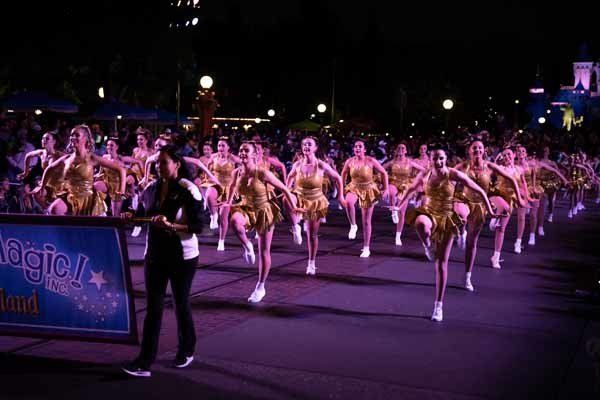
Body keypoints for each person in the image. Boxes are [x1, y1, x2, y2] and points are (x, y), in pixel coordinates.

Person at [121, 144, 204, 377]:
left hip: (183, 256)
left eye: (164, 162)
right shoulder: (151, 188)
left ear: (177, 164)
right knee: (153, 309)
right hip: (155, 255)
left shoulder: (188, 189)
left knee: (180, 304)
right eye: (157, 162)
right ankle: (144, 361)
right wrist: (131, 216)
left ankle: (187, 349)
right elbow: (142, 215)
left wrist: (172, 226)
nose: (159, 166)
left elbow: (200, 226)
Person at [399, 146, 497, 322]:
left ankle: (439, 305)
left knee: (441, 264)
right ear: (431, 160)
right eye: (435, 158)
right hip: (429, 212)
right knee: (420, 224)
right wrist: (399, 205)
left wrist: (491, 210)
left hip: (447, 218)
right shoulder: (426, 174)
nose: (438, 162)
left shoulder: (453, 174)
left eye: (442, 158)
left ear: (446, 159)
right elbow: (411, 188)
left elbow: (481, 190)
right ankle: (427, 245)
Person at [223, 141, 298, 303]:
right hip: (246, 207)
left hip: (264, 209)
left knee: (264, 251)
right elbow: (230, 188)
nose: (242, 153)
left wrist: (294, 208)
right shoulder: (236, 172)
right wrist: (228, 202)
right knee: (234, 221)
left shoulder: (262, 172)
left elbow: (284, 189)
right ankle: (247, 245)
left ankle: (260, 286)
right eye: (241, 150)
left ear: (254, 155)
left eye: (246, 151)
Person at [454, 141, 525, 288]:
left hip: (481, 205)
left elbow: (512, 179)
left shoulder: (489, 166)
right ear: (469, 151)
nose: (478, 150)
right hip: (464, 200)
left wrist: (519, 199)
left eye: (480, 147)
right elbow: (448, 176)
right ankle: (461, 232)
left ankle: (467, 276)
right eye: (475, 147)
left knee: (472, 244)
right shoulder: (463, 166)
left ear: (484, 151)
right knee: (461, 215)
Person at [287, 136, 346, 275]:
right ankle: (296, 226)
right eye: (304, 144)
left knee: (312, 234)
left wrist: (341, 196)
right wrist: (287, 189)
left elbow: (337, 177)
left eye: (309, 144)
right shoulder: (297, 164)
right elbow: (289, 179)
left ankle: (311, 263)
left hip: (315, 200)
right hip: (300, 197)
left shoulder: (320, 165)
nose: (306, 147)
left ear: (315, 148)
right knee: (286, 198)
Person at [36, 125, 125, 216]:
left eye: (77, 135)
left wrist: (121, 189)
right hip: (71, 196)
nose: (73, 138)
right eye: (72, 135)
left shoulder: (91, 158)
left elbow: (121, 169)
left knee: (94, 227)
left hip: (88, 199)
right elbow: (49, 169)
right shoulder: (66, 158)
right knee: (55, 209)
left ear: (85, 139)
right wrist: (42, 187)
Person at [341, 139, 389, 257]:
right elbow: (343, 174)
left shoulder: (371, 161)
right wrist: (342, 189)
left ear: (365, 149)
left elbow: (384, 173)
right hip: (354, 186)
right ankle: (353, 225)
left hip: (368, 189)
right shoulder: (350, 161)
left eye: (360, 146)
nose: (357, 148)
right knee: (348, 202)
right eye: (356, 146)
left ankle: (366, 247)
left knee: (366, 221)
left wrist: (386, 188)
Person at [383, 142, 425, 246]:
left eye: (403, 148)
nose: (401, 149)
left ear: (406, 151)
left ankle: (398, 236)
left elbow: (424, 170)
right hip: (394, 182)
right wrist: (384, 178)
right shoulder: (392, 162)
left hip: (405, 186)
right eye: (399, 148)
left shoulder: (410, 162)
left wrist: (417, 178)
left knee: (402, 212)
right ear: (396, 151)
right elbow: (381, 168)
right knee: (391, 191)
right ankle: (393, 210)